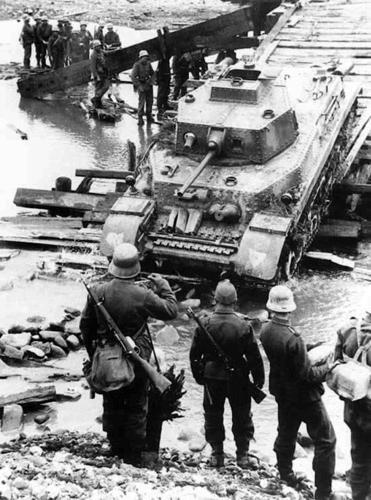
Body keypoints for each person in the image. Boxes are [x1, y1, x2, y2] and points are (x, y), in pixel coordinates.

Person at [80, 243, 178, 465]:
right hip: (137, 355)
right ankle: (133, 455)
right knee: (136, 404)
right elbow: (171, 311)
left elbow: (85, 327)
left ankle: (115, 448)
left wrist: (94, 355)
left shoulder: (97, 291)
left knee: (112, 400)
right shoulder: (143, 294)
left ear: (113, 266)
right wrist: (164, 286)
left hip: (106, 355)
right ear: (136, 267)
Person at [260, 285, 336, 500]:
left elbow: (290, 354)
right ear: (290, 308)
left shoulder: (266, 330)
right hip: (306, 398)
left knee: (286, 432)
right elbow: (308, 375)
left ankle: (285, 474)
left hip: (283, 394)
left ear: (272, 306)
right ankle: (323, 492)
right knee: (326, 440)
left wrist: (311, 345)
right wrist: (329, 367)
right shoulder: (294, 337)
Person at [190, 279, 264, 468]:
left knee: (213, 415)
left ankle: (217, 455)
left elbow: (194, 355)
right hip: (238, 378)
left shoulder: (204, 323)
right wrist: (258, 380)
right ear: (234, 301)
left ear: (215, 300)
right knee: (242, 416)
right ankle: (242, 456)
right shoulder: (244, 326)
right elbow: (254, 357)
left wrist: (199, 376)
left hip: (212, 378)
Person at [334, 311, 371, 500]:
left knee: (359, 456)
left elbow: (336, 363)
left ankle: (358, 496)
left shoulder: (348, 329)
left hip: (353, 410)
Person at [131, 50, 155, 126]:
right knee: (141, 102)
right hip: (141, 84)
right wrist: (138, 86)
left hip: (148, 84)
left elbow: (153, 73)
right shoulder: (137, 65)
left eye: (147, 57)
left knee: (150, 101)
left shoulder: (148, 64)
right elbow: (133, 77)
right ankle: (140, 118)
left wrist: (152, 81)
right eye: (144, 57)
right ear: (140, 58)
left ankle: (149, 116)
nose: (146, 59)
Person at [90, 39, 110, 108]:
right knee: (99, 88)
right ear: (94, 47)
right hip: (98, 74)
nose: (99, 47)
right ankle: (97, 102)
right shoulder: (93, 55)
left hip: (103, 72)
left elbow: (106, 53)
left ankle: (96, 99)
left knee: (106, 86)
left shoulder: (100, 51)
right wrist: (96, 76)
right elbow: (92, 66)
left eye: (99, 46)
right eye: (97, 46)